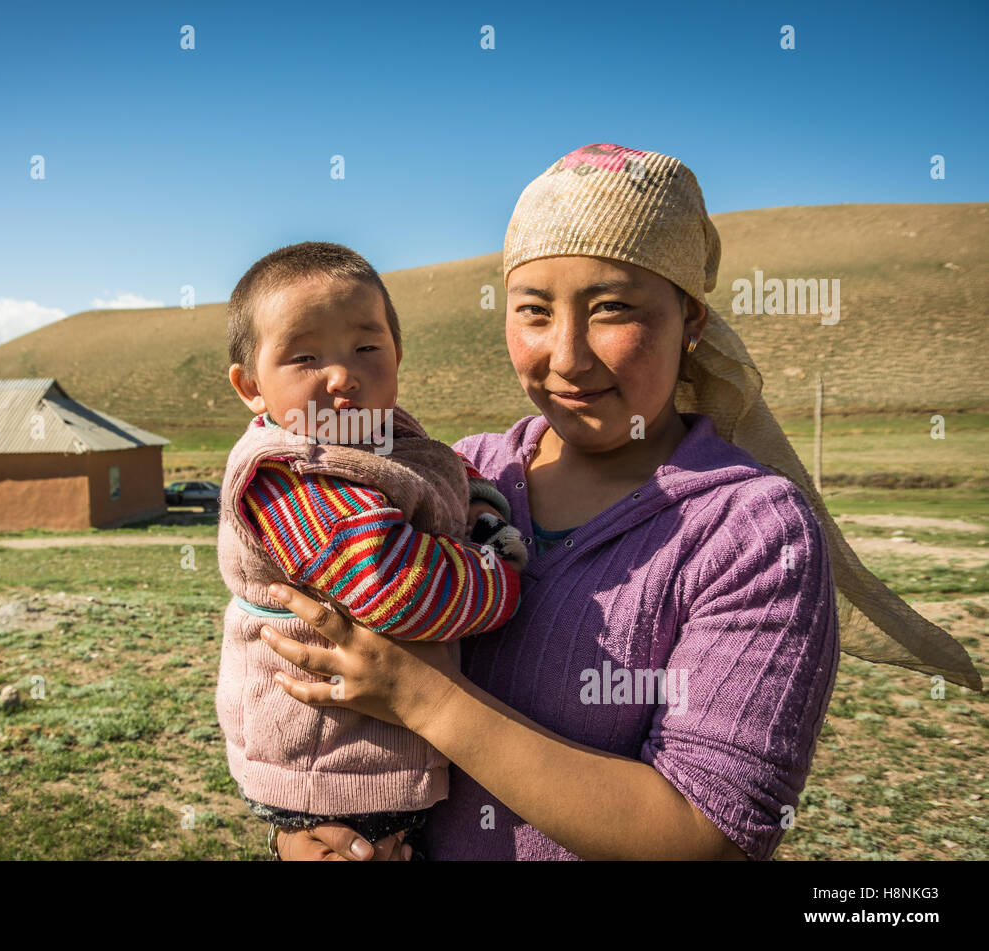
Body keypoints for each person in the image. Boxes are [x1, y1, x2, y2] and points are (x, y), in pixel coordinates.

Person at [263, 143, 982, 861]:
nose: (568, 356)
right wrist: (299, 827)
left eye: (613, 309)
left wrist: (422, 696)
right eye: (534, 311)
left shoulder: (754, 532)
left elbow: (707, 836)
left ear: (692, 320)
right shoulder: (461, 470)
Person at [215, 241, 528, 849]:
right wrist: (501, 580)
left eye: (366, 348)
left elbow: (448, 470)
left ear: (398, 353)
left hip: (376, 755)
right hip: (329, 765)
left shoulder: (385, 434)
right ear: (251, 387)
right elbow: (396, 586)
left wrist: (484, 507)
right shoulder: (292, 476)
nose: (342, 375)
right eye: (304, 356)